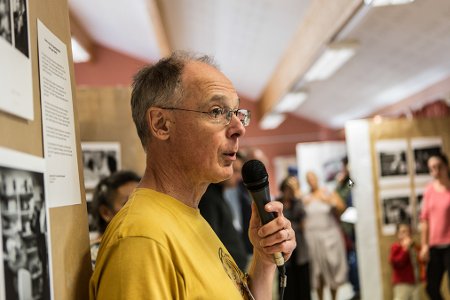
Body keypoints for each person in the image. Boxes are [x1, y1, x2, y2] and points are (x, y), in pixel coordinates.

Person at [89, 52, 296, 300]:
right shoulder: (141, 241)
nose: (239, 128)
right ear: (162, 124)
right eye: (217, 111)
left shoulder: (188, 216)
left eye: (236, 112)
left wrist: (263, 258)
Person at [199, 153, 249, 271]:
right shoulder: (209, 198)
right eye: (235, 170)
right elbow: (211, 242)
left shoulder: (218, 195)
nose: (239, 177)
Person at [303, 171, 347, 300]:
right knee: (317, 271)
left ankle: (334, 298)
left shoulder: (327, 192)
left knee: (332, 267)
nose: (311, 181)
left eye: (313, 178)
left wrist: (328, 200)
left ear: (317, 178)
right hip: (312, 238)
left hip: (330, 235)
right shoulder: (306, 197)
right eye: (308, 179)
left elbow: (342, 207)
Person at [90, 170, 140, 267]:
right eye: (128, 203)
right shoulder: (97, 254)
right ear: (105, 212)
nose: (140, 208)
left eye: (143, 200)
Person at [419, 152, 450, 300]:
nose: (436, 172)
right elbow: (424, 220)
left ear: (446, 166)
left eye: (439, 167)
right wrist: (424, 245)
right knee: (431, 288)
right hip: (434, 246)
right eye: (432, 168)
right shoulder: (429, 190)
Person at [276, 175, 311, 300]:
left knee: (302, 278)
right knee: (287, 276)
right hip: (283, 243)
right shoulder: (277, 203)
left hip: (299, 244)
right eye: (286, 189)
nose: (288, 192)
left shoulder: (297, 202)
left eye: (290, 189)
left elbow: (303, 223)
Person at [335, 156, 360, 300]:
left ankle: (358, 288)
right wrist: (339, 184)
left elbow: (347, 196)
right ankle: (356, 288)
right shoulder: (344, 182)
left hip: (353, 226)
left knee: (353, 258)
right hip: (346, 226)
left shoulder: (351, 182)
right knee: (350, 259)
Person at [389, 222, 425, 300]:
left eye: (407, 231)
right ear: (398, 234)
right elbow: (396, 262)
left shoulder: (414, 247)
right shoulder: (396, 247)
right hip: (402, 283)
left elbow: (421, 262)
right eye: (402, 232)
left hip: (414, 282)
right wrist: (405, 249)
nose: (405, 234)